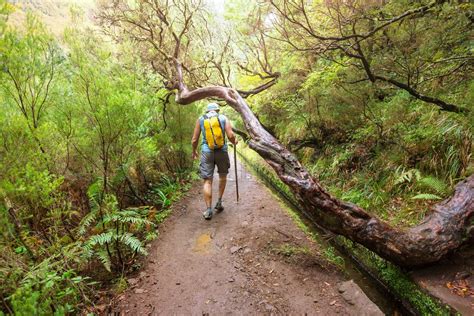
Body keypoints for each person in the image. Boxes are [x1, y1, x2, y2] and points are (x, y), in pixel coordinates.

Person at [191, 102, 238, 220]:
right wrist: (234, 142)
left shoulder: (201, 119)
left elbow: (194, 139)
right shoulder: (223, 118)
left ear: (207, 111)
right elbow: (231, 135)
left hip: (207, 151)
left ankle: (208, 210)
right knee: (222, 176)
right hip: (222, 151)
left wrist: (194, 151)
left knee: (207, 181)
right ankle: (219, 202)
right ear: (217, 110)